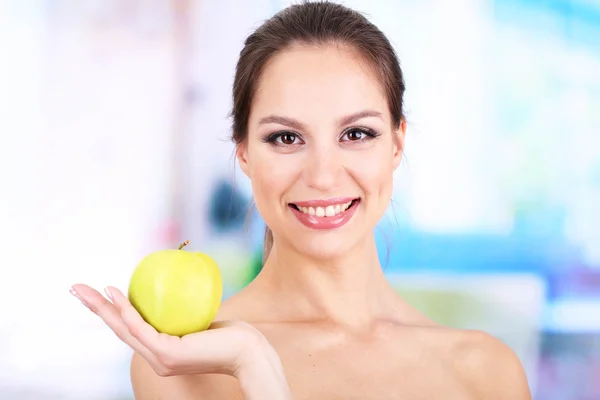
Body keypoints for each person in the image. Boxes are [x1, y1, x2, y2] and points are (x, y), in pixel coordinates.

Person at [71, 2, 532, 399]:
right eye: (287, 137)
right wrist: (250, 362)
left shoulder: (487, 371)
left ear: (396, 144)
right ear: (244, 153)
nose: (324, 175)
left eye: (356, 134)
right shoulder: (183, 364)